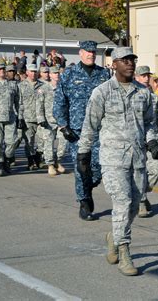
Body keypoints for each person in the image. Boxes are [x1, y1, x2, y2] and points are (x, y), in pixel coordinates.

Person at [77, 47, 158, 276]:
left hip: (137, 158)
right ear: (113, 64)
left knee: (135, 206)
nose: (130, 64)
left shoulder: (143, 93)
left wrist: (153, 142)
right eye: (124, 60)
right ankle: (125, 251)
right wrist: (83, 153)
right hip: (113, 159)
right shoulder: (102, 92)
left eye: (132, 60)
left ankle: (113, 237)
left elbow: (150, 124)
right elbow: (90, 124)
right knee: (123, 202)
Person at [53, 40, 110, 221]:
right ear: (80, 53)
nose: (90, 54)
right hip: (77, 131)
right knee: (80, 168)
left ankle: (89, 186)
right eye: (87, 51)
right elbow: (59, 102)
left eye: (93, 52)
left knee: (99, 167)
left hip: (100, 130)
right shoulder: (69, 74)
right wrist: (63, 126)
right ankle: (84, 202)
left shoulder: (104, 75)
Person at [134, 65, 158, 218]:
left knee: (157, 169)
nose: (146, 78)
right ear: (136, 77)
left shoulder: (155, 98)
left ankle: (139, 193)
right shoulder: (133, 97)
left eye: (148, 75)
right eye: (143, 76)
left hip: (153, 139)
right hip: (136, 140)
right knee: (139, 171)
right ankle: (141, 202)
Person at [36, 66, 68, 177]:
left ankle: (58, 161)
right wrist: (41, 119)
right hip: (48, 121)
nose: (56, 75)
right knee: (48, 143)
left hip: (61, 121)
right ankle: (50, 165)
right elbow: (39, 105)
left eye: (58, 73)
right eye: (54, 73)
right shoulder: (43, 89)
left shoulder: (63, 88)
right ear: (49, 75)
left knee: (63, 143)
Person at [18, 64, 44, 170]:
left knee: (43, 140)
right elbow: (19, 103)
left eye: (35, 71)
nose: (33, 73)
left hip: (41, 118)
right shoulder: (21, 86)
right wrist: (20, 118)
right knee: (29, 142)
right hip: (27, 118)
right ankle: (30, 161)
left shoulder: (42, 85)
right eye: (31, 71)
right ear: (27, 72)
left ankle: (37, 157)